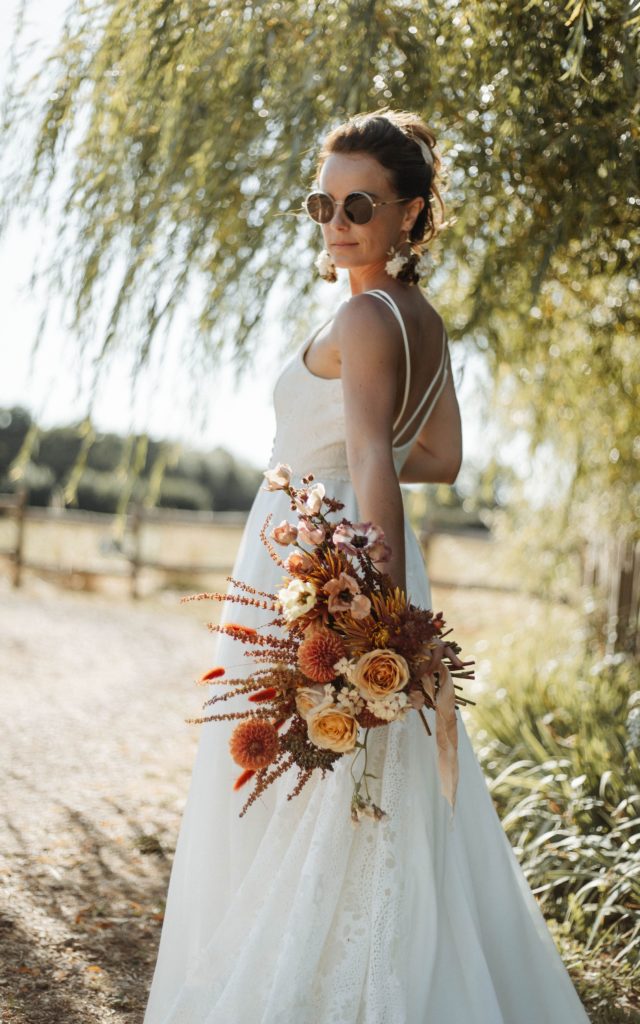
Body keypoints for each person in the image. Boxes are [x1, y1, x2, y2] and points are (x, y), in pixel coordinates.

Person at [144, 110, 590, 1023]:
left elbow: (388, 466)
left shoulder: (362, 312)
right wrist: (342, 463)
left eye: (361, 203)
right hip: (348, 549)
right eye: (323, 201)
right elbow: (443, 457)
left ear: (410, 215)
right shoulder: (419, 317)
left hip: (328, 569)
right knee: (350, 774)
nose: (336, 220)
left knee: (321, 770)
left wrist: (376, 616)